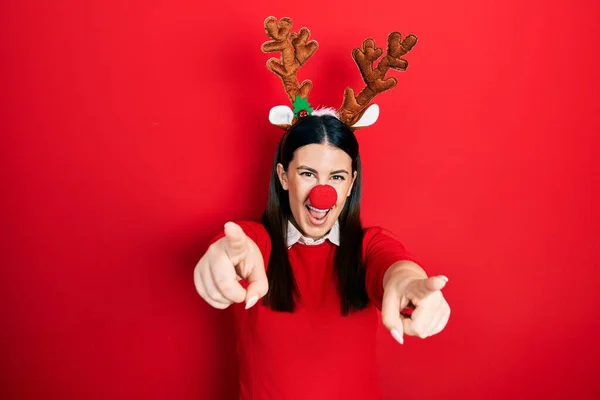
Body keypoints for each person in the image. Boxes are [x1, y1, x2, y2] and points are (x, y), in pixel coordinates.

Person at [193, 16, 450, 400]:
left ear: (350, 185)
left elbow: (394, 265)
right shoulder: (254, 242)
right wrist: (220, 259)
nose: (322, 193)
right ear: (284, 177)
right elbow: (237, 247)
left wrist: (409, 283)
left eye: (336, 178)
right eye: (308, 173)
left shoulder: (367, 246)